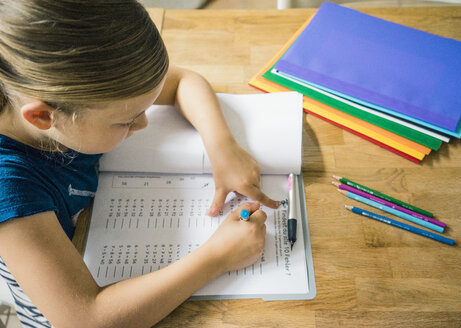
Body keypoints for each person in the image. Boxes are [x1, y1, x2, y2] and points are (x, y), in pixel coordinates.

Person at [0, 1, 279, 327]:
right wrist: (216, 258)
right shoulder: (10, 189)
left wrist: (222, 148)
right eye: (127, 120)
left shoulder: (73, 95)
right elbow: (86, 320)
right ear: (44, 116)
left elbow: (183, 81)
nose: (144, 123)